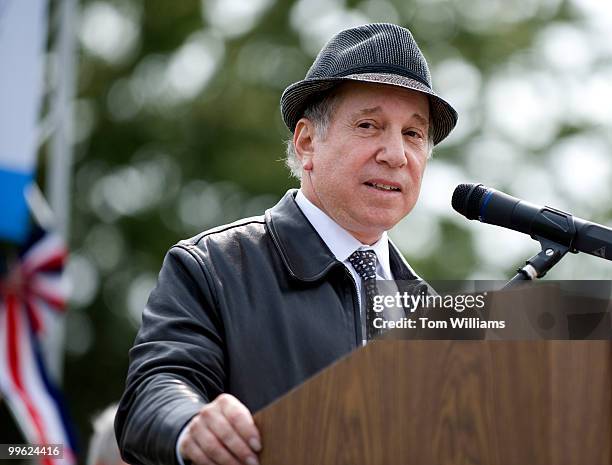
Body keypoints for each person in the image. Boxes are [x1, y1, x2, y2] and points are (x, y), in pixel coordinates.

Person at [115, 22, 457, 465]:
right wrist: (190, 423)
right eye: (370, 125)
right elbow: (154, 389)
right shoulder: (214, 266)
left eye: (413, 134)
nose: (396, 154)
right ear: (308, 141)